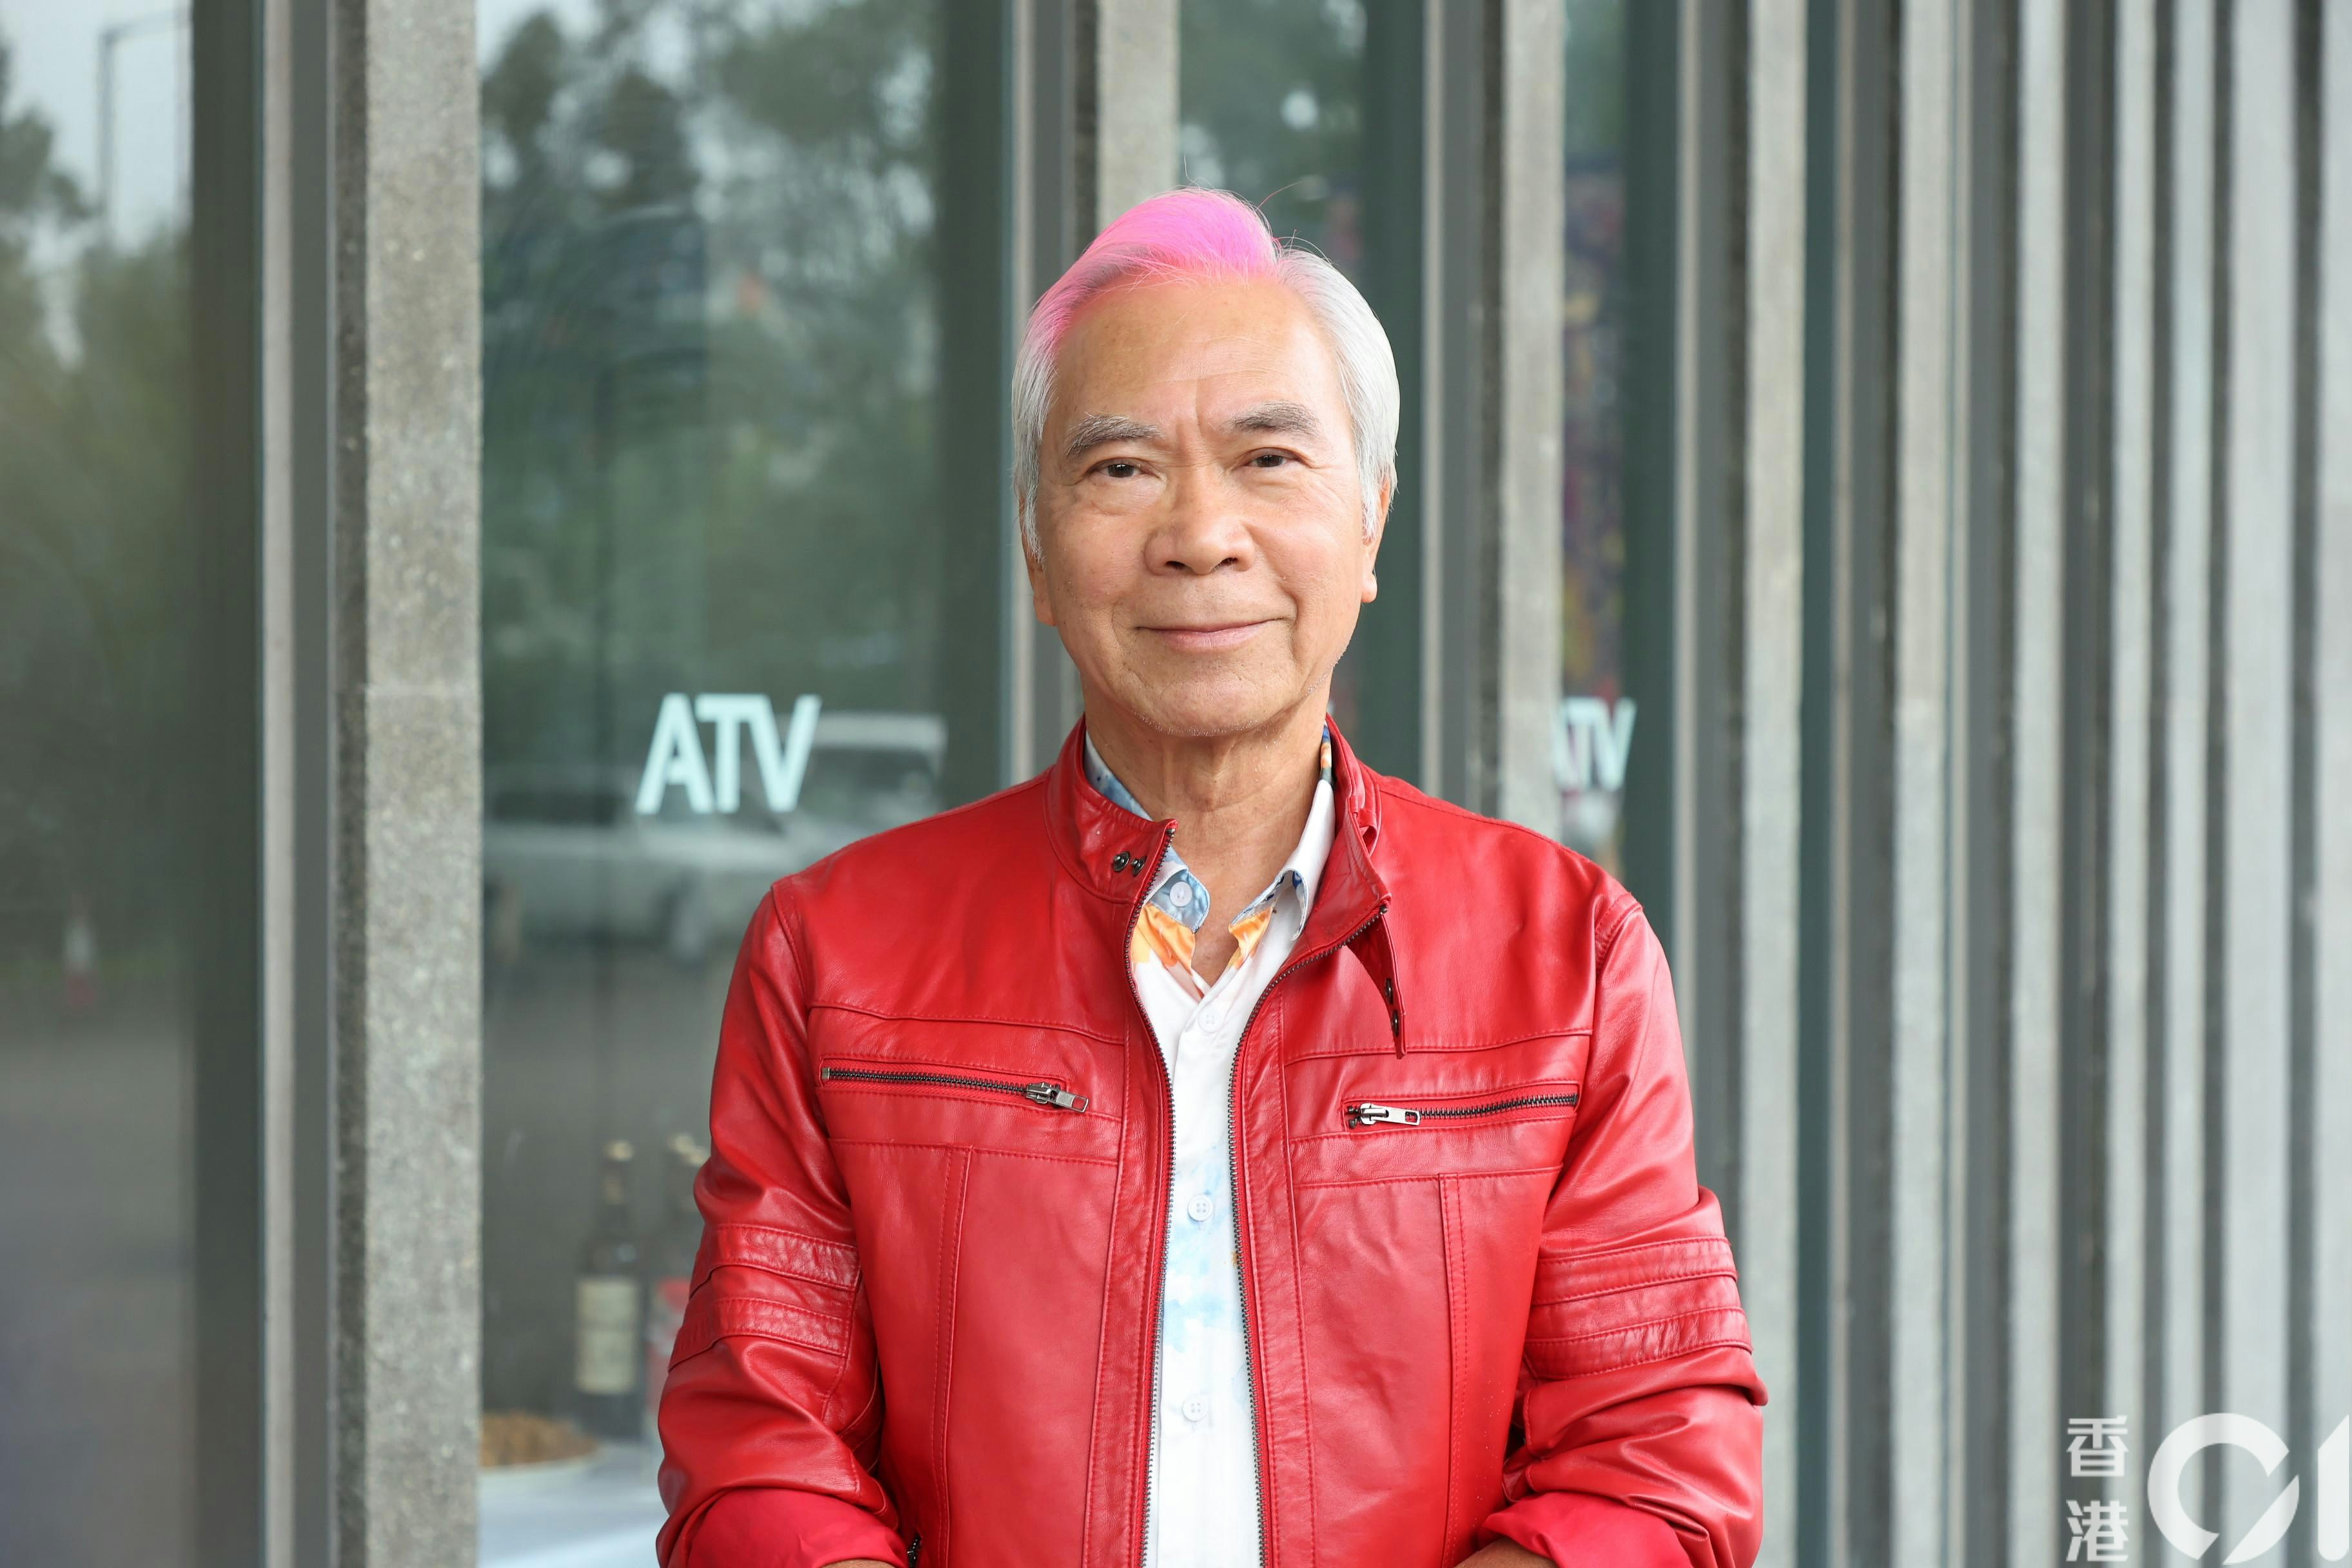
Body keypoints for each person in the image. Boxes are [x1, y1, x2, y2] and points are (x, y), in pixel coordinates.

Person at [655, 188, 1765, 1568]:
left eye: (1268, 459)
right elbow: (759, 1455)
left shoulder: (1568, 953)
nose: (1200, 533)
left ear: (1371, 523)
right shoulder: (838, 952)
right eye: (1122, 469)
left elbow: (1653, 1461)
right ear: (1037, 550)